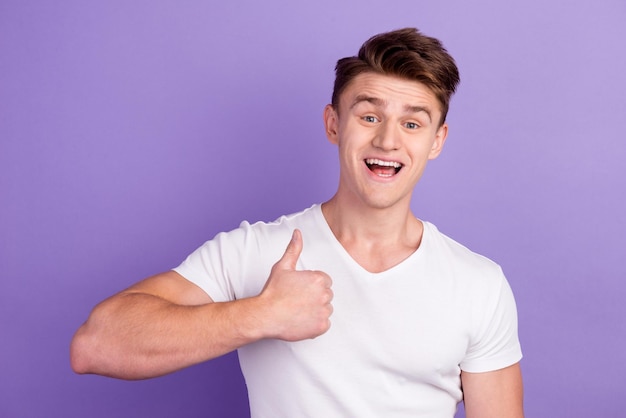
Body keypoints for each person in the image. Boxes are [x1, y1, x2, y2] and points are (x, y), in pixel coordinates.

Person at [71, 27, 524, 417]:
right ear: (333, 125)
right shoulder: (254, 252)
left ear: (436, 140)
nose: (387, 140)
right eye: (369, 116)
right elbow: (95, 345)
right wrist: (258, 315)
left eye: (412, 124)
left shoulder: (477, 284)